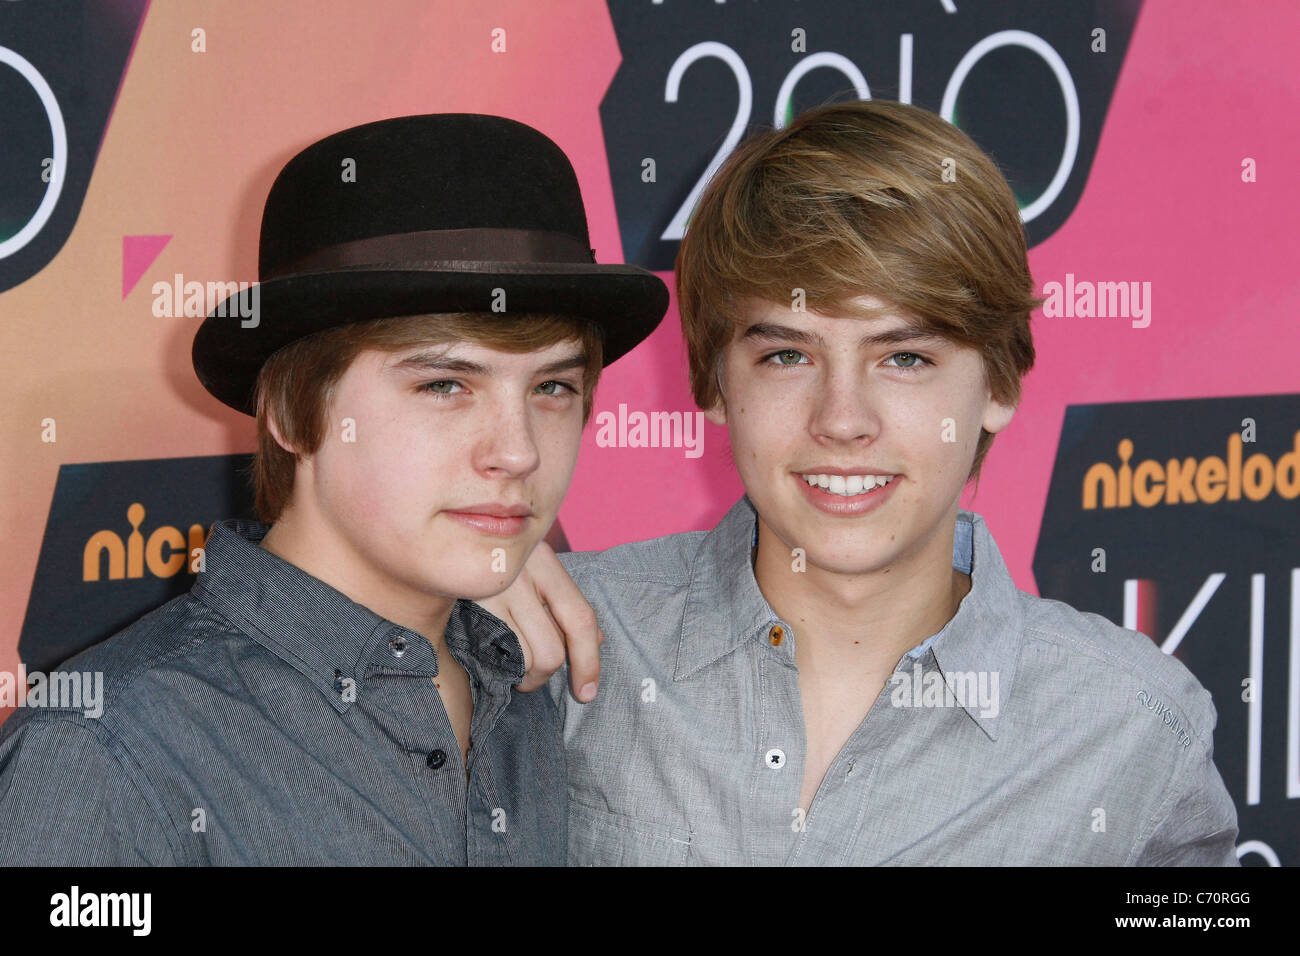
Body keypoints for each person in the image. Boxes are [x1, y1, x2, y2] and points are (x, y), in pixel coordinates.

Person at [481, 99, 1241, 865]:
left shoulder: (1131, 727)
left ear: (1001, 384)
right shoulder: (551, 642)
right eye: (788, 356)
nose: (842, 421)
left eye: (905, 358)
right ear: (712, 383)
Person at [0, 113, 666, 865]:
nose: (516, 452)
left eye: (551, 387)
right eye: (445, 384)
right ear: (288, 409)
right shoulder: (111, 754)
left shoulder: (529, 684)